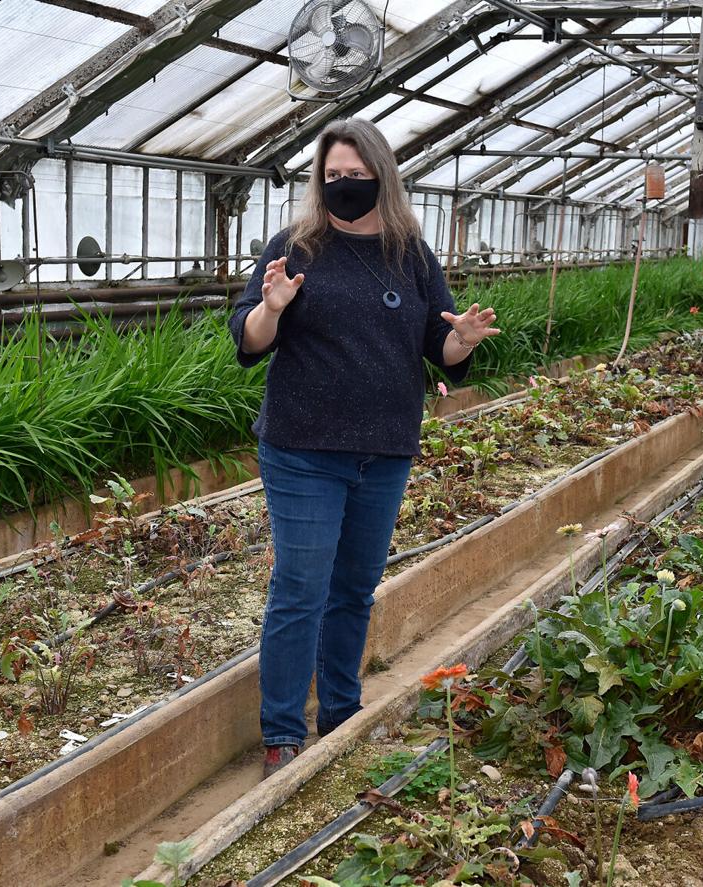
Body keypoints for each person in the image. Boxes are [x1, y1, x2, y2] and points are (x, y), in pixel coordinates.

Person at [229, 118, 500, 777]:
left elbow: (439, 344)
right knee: (301, 586)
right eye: (333, 176)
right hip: (302, 449)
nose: (344, 185)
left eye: (356, 175)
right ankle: (282, 733)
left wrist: (461, 339)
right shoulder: (295, 247)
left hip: (383, 450)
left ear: (382, 176)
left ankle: (340, 713)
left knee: (353, 588)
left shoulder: (410, 254)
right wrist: (272, 306)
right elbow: (248, 340)